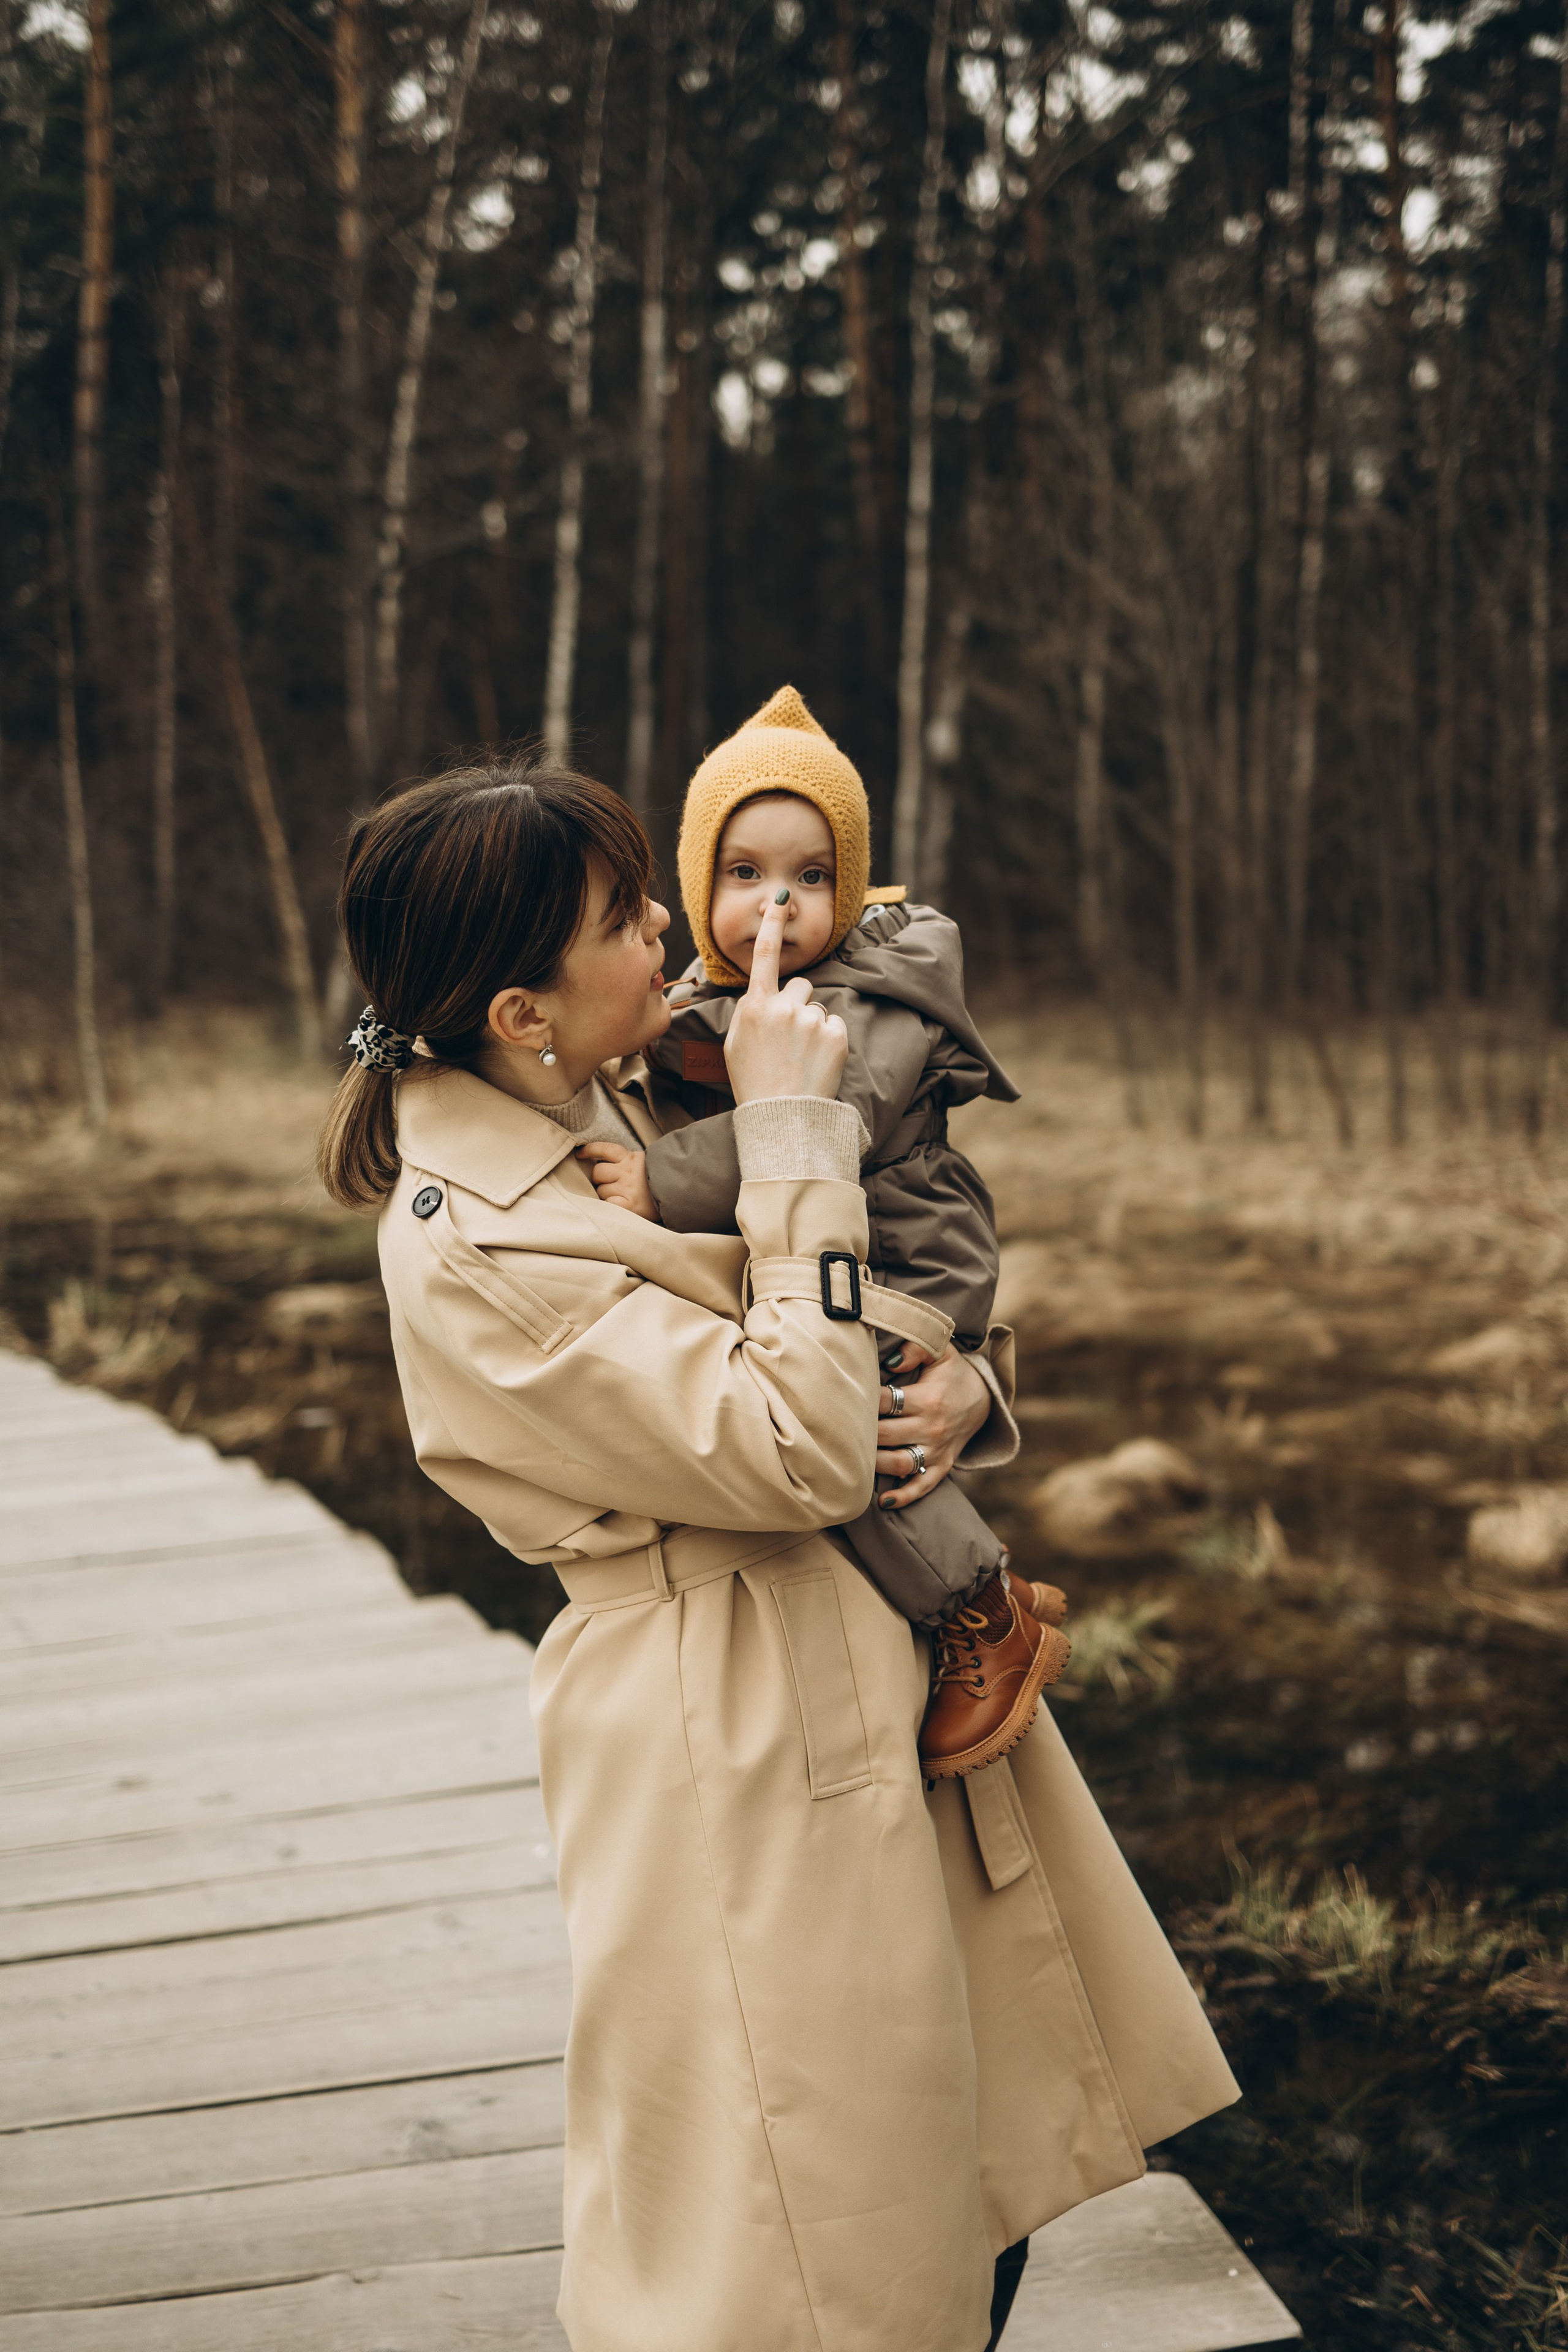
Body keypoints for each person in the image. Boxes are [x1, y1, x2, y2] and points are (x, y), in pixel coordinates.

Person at [318, 753, 1240, 2352]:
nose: (668, 925)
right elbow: (797, 1441)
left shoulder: (605, 1093)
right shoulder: (477, 1244)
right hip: (729, 1727)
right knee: (812, 2225)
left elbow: (851, 1291)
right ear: (520, 1009)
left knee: (959, 2164)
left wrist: (966, 1375)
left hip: (849, 1664)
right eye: (622, 915)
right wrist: (795, 1129)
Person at [574, 685, 1066, 1779]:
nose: (777, 908)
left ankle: (982, 1609)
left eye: (810, 879)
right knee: (838, 1414)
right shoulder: (700, 995)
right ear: (700, 887)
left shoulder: (872, 1001)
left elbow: (814, 1123)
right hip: (842, 1255)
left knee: (866, 1428)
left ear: (851, 892)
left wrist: (663, 1178)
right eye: (744, 876)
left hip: (909, 1245)